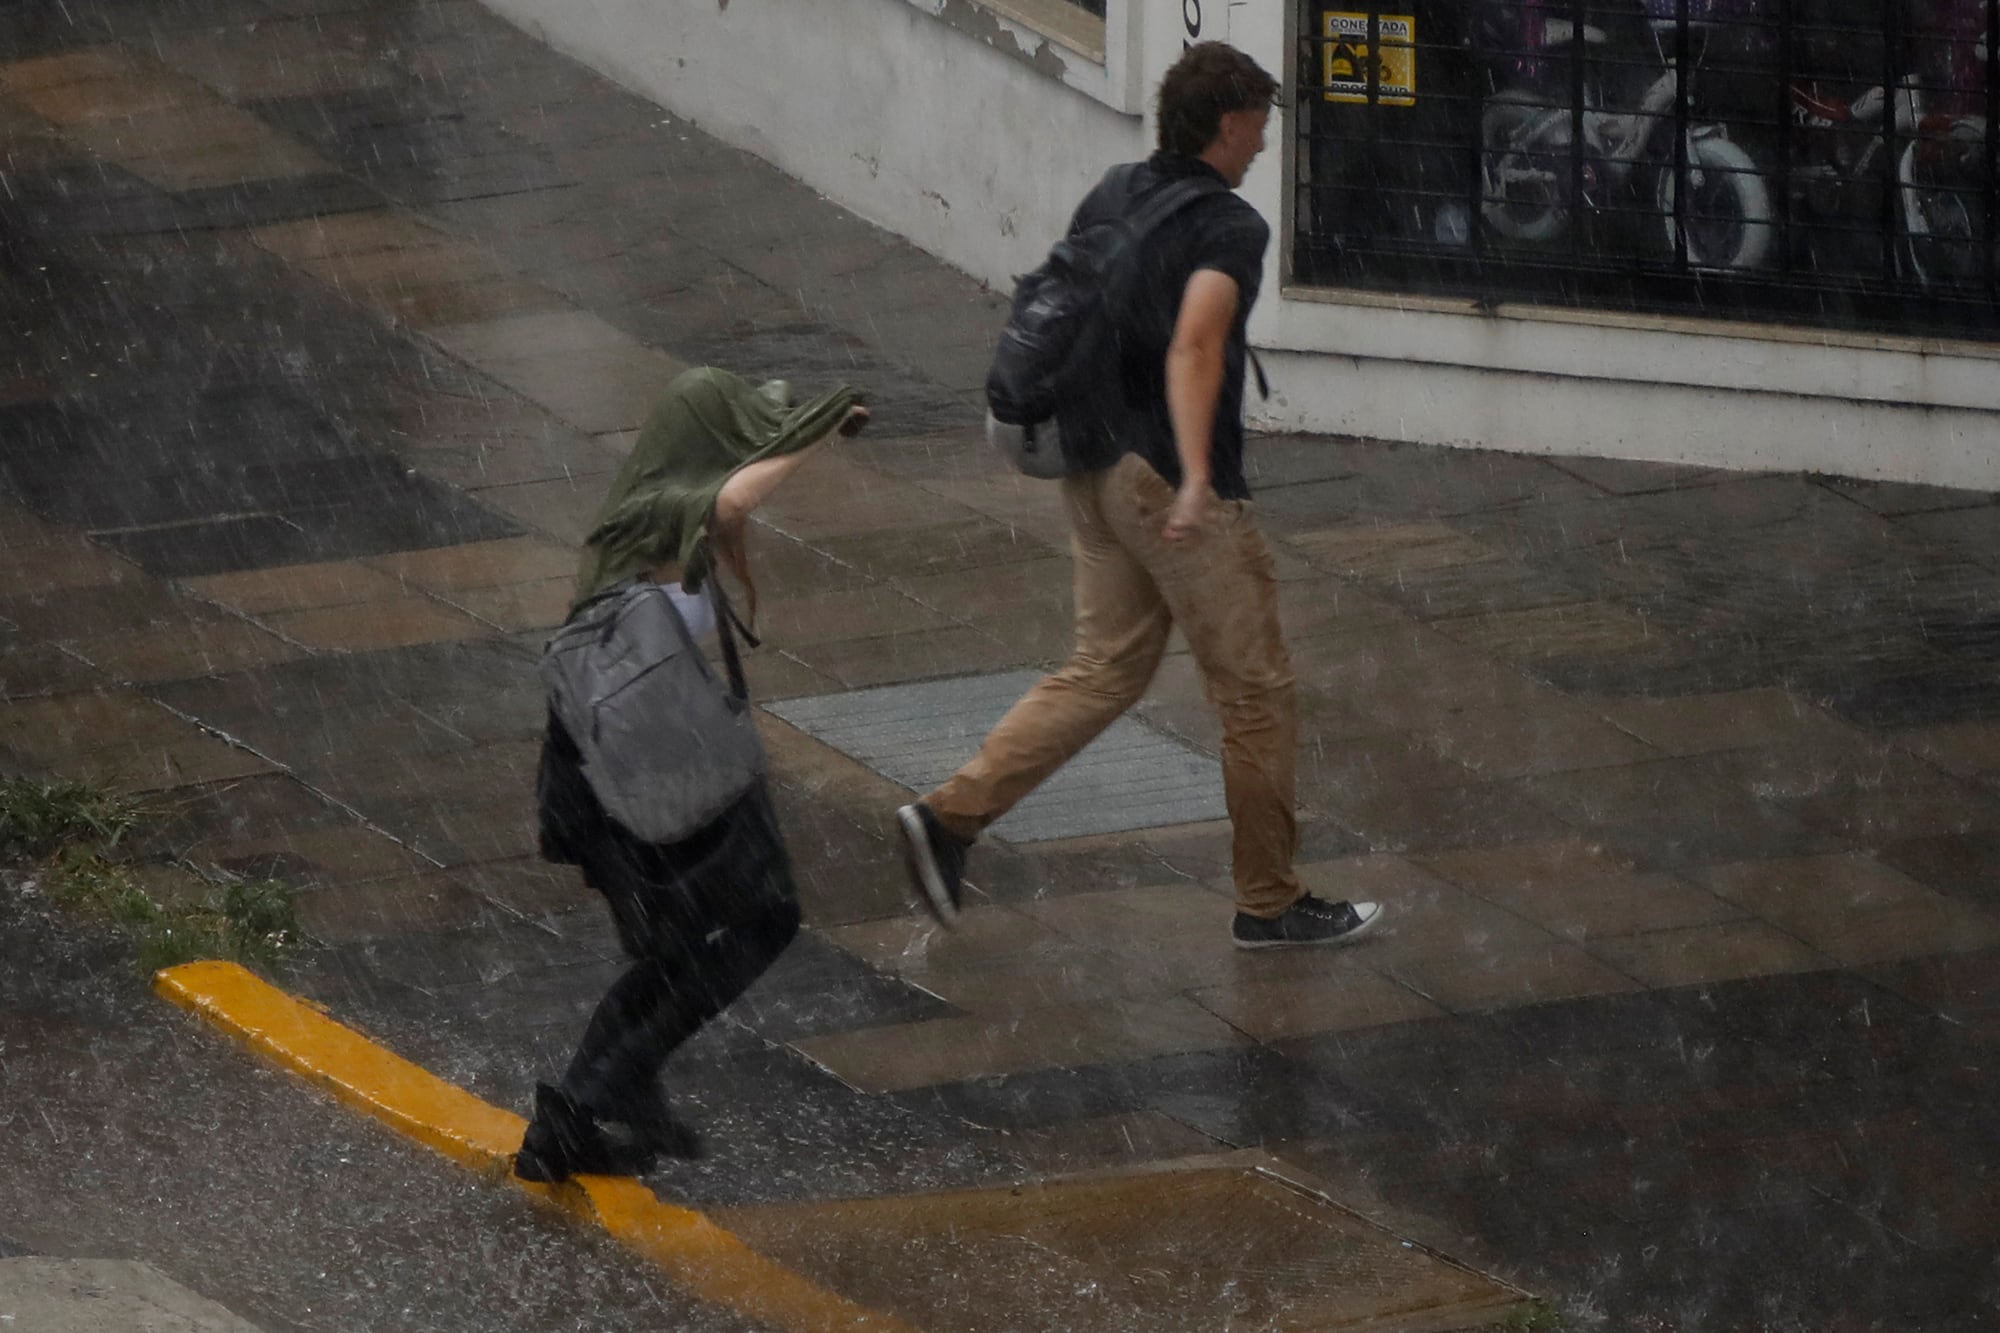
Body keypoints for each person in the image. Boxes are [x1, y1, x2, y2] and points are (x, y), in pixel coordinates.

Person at [896, 43, 1384, 950]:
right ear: (1230, 124)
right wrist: (1198, 475)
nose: (1264, 144)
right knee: (1256, 693)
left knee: (1104, 670)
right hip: (1166, 482)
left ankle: (949, 817)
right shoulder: (1229, 225)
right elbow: (1196, 344)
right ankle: (1269, 902)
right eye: (1260, 127)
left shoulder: (1115, 189)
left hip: (1091, 467)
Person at [515, 367, 867, 1183]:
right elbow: (734, 501)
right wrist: (815, 430)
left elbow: (728, 519)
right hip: (632, 763)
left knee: (679, 944)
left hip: (638, 757)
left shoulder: (661, 514)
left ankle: (592, 1103)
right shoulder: (652, 511)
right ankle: (594, 1093)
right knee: (762, 917)